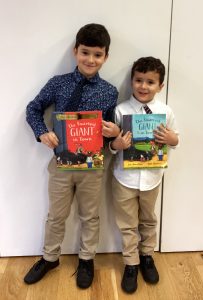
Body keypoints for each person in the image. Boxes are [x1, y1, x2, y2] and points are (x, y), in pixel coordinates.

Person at [24, 23, 119, 289]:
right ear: (75, 51)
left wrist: (113, 130)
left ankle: (87, 258)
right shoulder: (58, 83)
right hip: (61, 165)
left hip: (93, 166)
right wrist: (42, 132)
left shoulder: (109, 92)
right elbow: (33, 109)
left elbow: (111, 130)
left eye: (97, 54)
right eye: (85, 52)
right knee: (56, 215)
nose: (91, 59)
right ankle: (50, 256)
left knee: (90, 216)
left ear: (106, 57)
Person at [109, 56, 179, 293]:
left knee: (148, 219)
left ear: (160, 86)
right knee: (127, 223)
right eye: (139, 80)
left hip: (152, 178)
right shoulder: (121, 110)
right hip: (123, 178)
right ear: (131, 81)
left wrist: (171, 139)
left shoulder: (165, 111)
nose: (143, 86)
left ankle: (147, 255)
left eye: (150, 82)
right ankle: (131, 262)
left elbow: (176, 139)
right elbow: (110, 146)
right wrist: (116, 144)